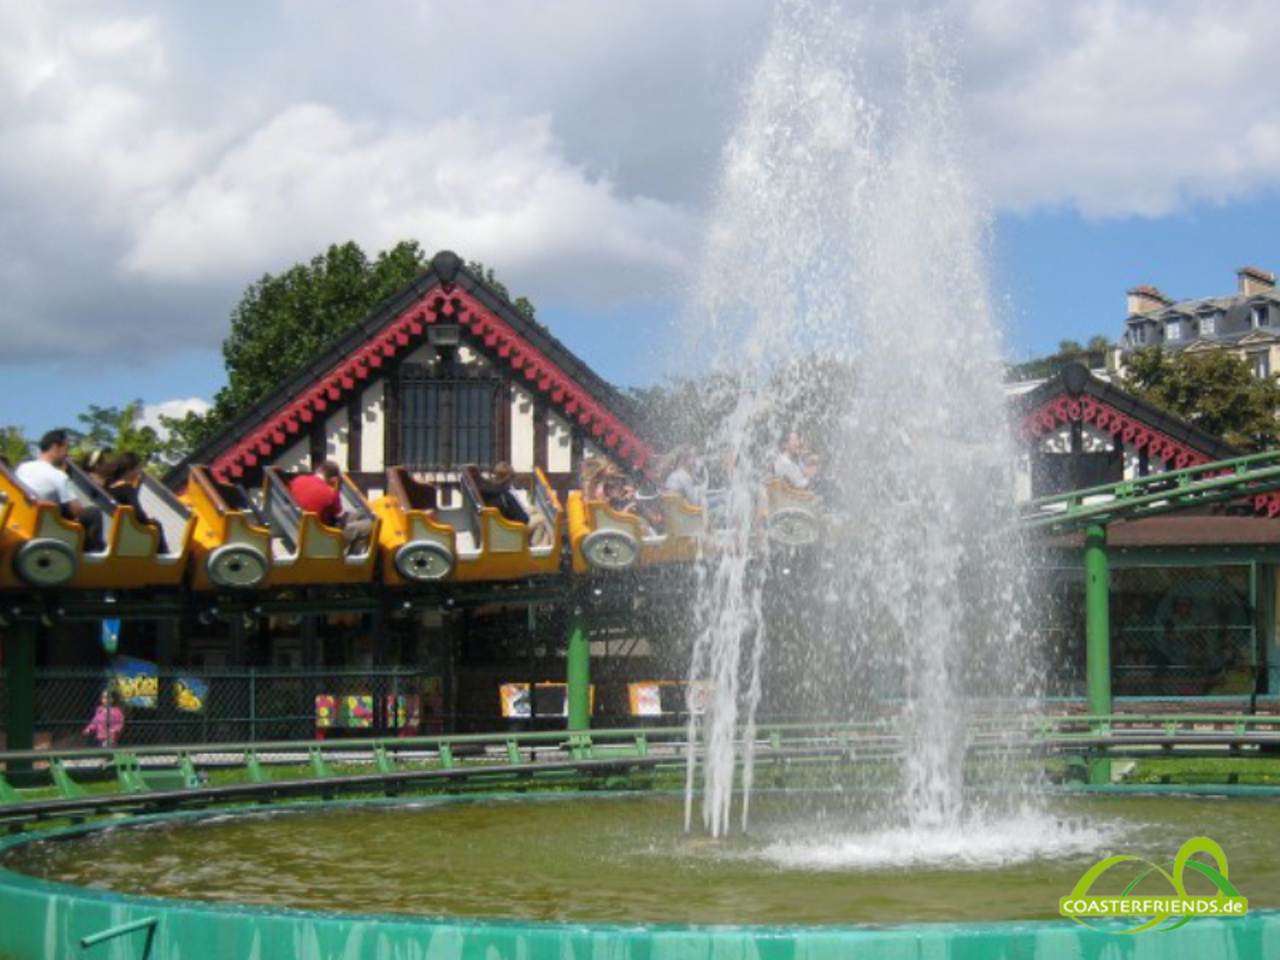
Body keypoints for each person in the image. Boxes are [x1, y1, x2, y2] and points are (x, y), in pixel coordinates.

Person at [16, 429, 106, 551]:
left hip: (23, 520)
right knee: (93, 513)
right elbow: (77, 510)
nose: (67, 454)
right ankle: (92, 554)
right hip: (46, 527)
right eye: (66, 448)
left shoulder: (23, 468)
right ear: (55, 447)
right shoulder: (57, 475)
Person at [289, 460, 373, 554]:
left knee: (360, 516)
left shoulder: (298, 480)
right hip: (320, 536)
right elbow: (339, 518)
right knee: (368, 526)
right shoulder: (331, 493)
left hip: (299, 525)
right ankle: (353, 561)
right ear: (333, 479)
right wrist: (335, 489)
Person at [102, 452, 168, 553]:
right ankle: (164, 557)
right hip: (130, 535)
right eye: (138, 468)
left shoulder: (109, 487)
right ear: (130, 469)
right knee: (156, 525)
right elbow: (139, 515)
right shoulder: (127, 489)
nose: (140, 471)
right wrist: (149, 520)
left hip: (115, 532)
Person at [476, 463, 554, 546]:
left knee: (536, 512)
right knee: (542, 519)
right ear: (508, 479)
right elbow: (523, 519)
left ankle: (540, 545)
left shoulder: (495, 493)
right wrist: (527, 515)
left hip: (503, 525)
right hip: (512, 529)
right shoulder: (505, 495)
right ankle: (549, 545)